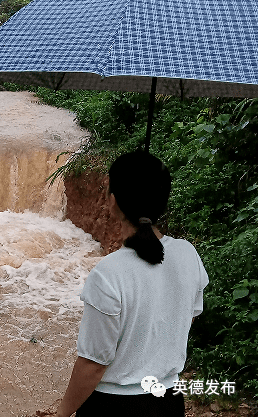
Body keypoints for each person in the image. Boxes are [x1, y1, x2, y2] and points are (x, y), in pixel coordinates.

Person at [54, 151, 209, 417]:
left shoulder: (108, 273)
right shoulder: (188, 255)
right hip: (168, 401)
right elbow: (187, 318)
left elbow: (93, 365)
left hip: (112, 407)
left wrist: (62, 413)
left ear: (112, 201)